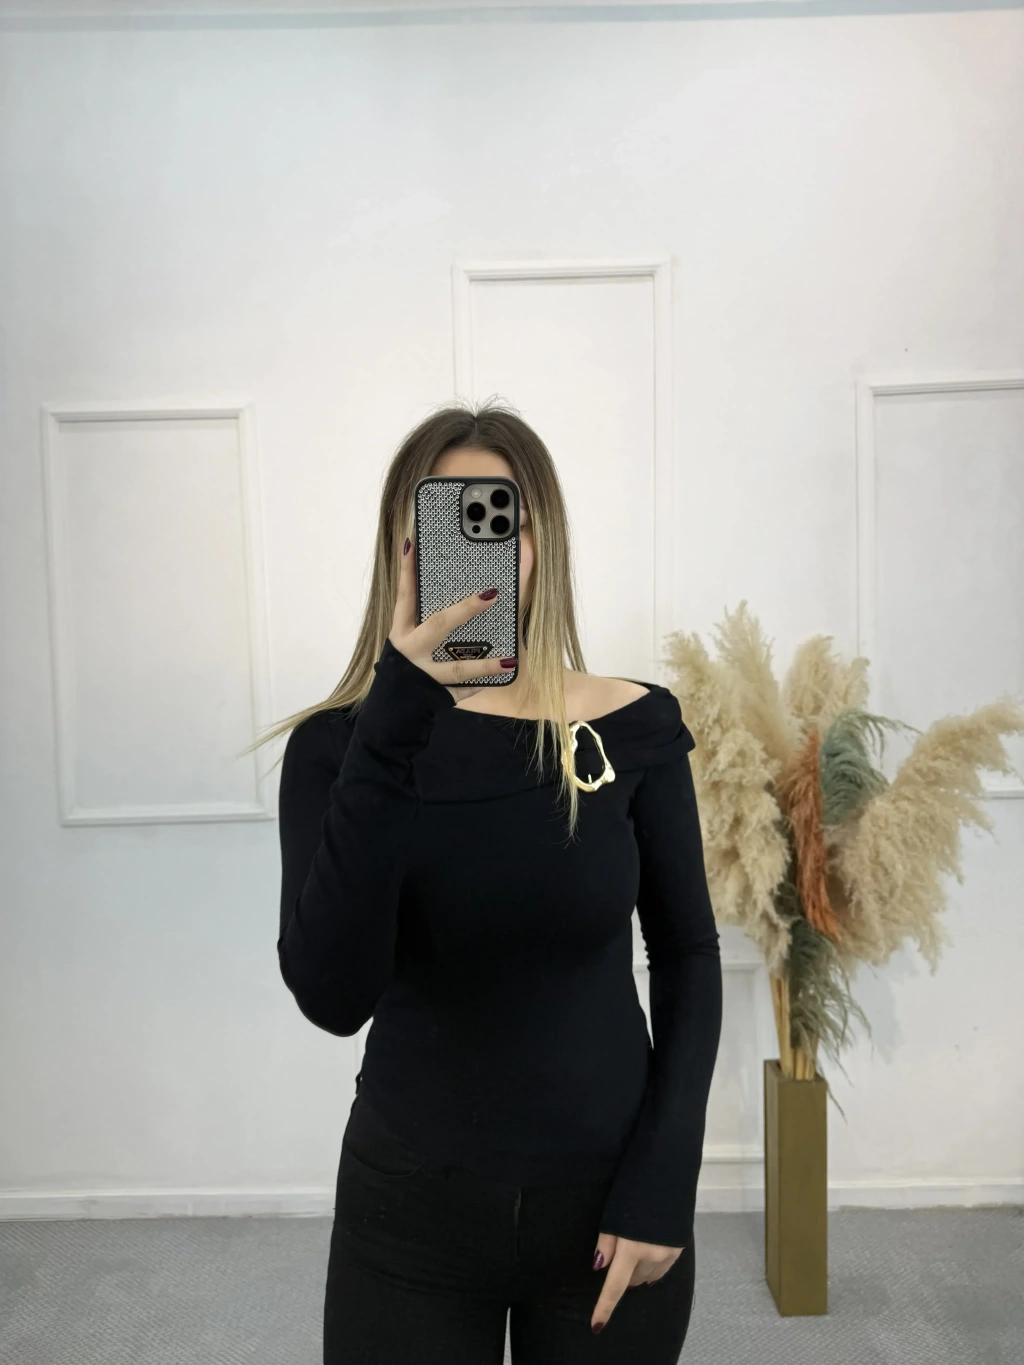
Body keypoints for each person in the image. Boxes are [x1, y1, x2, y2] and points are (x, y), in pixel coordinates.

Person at [269, 399, 723, 1363]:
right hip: (407, 1217)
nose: (479, 551)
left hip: (609, 1204)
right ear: (404, 550)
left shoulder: (630, 727)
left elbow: (688, 953)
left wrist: (666, 1180)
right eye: (450, 522)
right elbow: (331, 996)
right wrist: (397, 713)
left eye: (500, 519)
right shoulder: (341, 749)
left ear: (540, 541)